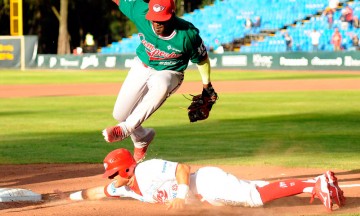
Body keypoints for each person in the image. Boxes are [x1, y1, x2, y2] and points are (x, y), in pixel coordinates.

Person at [102, 0, 217, 162]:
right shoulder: (140, 13)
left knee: (161, 85)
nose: (156, 23)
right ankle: (142, 138)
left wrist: (207, 86)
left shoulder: (187, 34)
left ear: (171, 16)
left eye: (161, 20)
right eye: (154, 18)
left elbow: (202, 59)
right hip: (142, 65)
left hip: (170, 72)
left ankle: (126, 129)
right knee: (120, 113)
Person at [69, 148, 346, 212]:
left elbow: (182, 168)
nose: (111, 179)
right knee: (257, 189)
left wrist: (180, 195)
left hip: (207, 183)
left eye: (113, 173)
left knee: (255, 198)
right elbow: (98, 193)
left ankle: (316, 186)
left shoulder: (146, 169)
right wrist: (68, 197)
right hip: (209, 194)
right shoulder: (126, 188)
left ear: (127, 170)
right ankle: (318, 181)